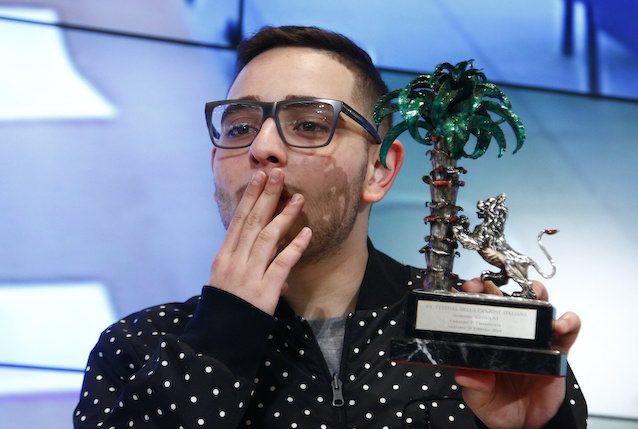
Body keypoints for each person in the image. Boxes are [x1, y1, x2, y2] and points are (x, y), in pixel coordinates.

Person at [73, 25, 587, 428]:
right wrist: (220, 340)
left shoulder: (469, 339)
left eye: (309, 124)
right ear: (214, 165)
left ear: (379, 170)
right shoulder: (140, 345)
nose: (262, 148)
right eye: (240, 127)